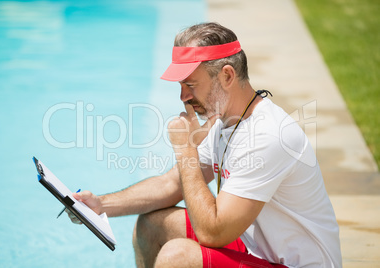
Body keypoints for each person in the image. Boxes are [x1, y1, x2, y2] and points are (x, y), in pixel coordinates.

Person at [68, 22, 342, 268]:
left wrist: (186, 150)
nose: (183, 97)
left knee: (178, 257)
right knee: (151, 224)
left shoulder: (267, 136)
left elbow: (213, 232)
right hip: (257, 251)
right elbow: (170, 185)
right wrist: (101, 205)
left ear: (226, 76)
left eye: (191, 84)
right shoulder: (225, 120)